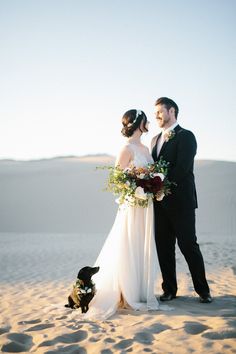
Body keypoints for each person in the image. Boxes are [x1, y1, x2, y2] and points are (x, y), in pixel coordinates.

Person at [83, 109, 161, 321]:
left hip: (146, 204)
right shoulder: (126, 148)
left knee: (142, 243)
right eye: (146, 121)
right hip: (132, 204)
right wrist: (136, 185)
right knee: (129, 241)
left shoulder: (146, 148)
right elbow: (119, 178)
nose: (149, 124)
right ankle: (126, 292)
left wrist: (152, 184)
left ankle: (141, 291)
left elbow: (153, 173)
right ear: (138, 123)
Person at [151, 97, 212, 303]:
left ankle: (203, 291)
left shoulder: (186, 136)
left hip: (181, 202)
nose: (157, 116)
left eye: (160, 111)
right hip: (159, 204)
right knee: (163, 247)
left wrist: (160, 185)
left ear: (172, 111)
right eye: (155, 113)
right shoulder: (154, 140)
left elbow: (182, 168)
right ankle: (169, 289)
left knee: (188, 245)